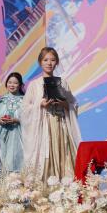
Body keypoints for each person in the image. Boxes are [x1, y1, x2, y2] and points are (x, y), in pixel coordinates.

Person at [22, 47, 81, 181]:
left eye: (53, 60)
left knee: (65, 153)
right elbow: (25, 109)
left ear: (57, 62)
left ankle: (66, 185)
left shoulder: (63, 83)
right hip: (44, 126)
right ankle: (47, 185)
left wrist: (64, 104)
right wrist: (40, 104)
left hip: (62, 126)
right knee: (46, 155)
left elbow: (74, 103)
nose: (49, 63)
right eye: (45, 60)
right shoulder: (35, 85)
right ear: (40, 62)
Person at [0, 72, 25, 173]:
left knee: (16, 161)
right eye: (9, 82)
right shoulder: (1, 100)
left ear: (20, 85)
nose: (12, 85)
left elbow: (30, 119)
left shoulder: (25, 101)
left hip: (18, 137)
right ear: (6, 84)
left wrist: (17, 120)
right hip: (1, 136)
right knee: (2, 161)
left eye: (15, 83)